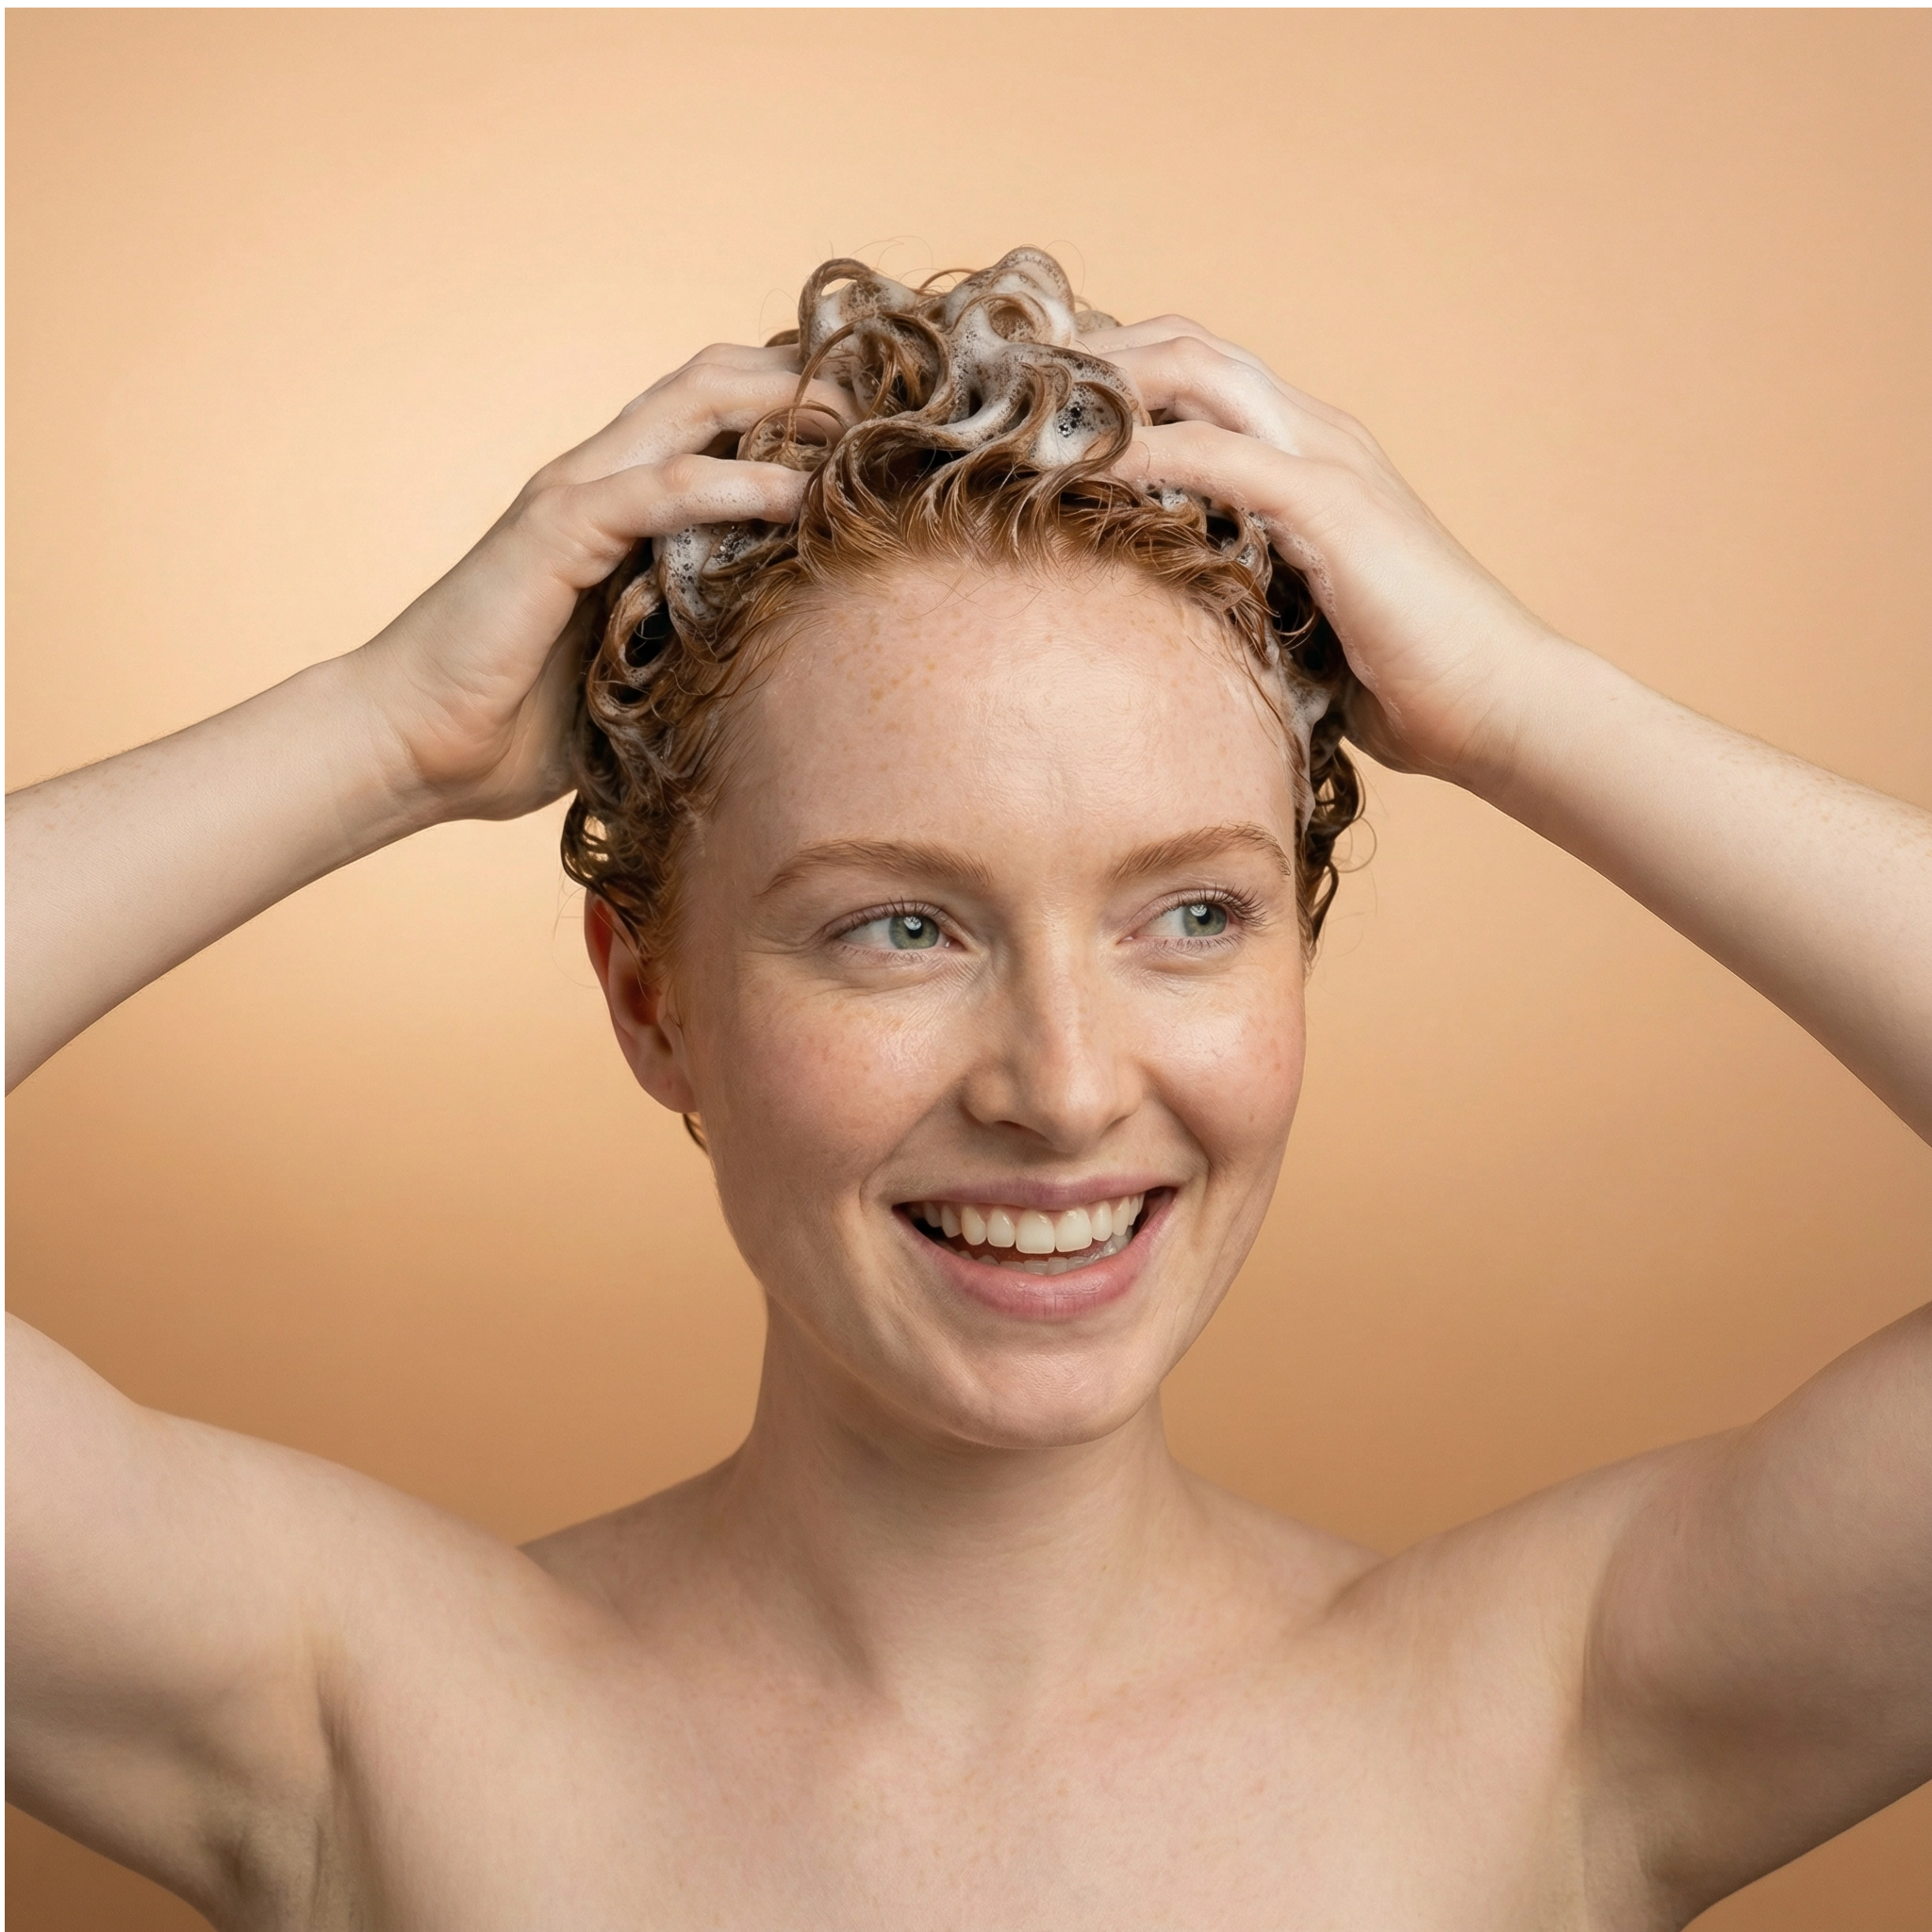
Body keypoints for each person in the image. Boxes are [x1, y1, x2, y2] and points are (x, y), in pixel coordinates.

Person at [5, 249, 1927, 1931]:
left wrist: (1524, 704)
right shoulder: (360, 1722)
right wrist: (385, 732)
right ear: (651, 996)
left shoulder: (1566, 1718)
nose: (1067, 1085)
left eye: (1191, 911)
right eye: (898, 930)